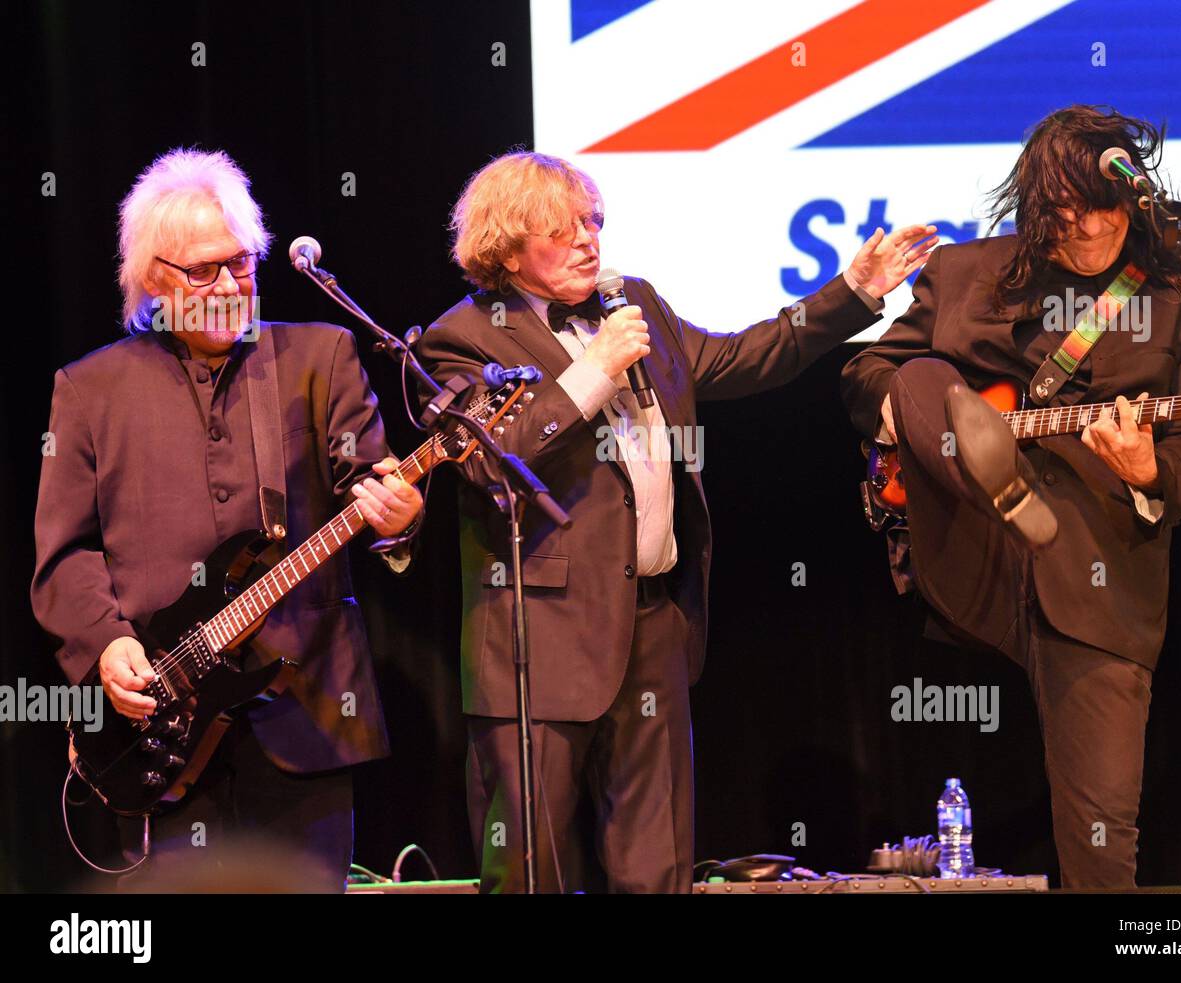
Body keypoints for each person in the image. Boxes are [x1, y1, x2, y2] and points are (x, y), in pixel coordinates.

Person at [417, 150, 935, 892]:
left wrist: (850, 293)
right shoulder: (462, 337)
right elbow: (490, 454)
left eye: (594, 222)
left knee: (657, 863)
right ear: (506, 243)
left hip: (653, 620)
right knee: (531, 867)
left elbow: (746, 356)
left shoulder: (637, 303)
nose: (590, 240)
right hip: (538, 637)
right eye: (563, 231)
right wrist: (593, 371)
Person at [840, 106, 1181, 888]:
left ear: (1134, 195)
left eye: (1103, 206)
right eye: (1064, 213)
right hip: (973, 545)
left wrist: (1148, 471)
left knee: (1099, 850)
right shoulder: (966, 274)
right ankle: (989, 466)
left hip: (1099, 578)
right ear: (1034, 209)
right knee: (924, 378)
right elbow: (865, 376)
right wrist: (920, 428)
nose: (1089, 228)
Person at [31, 148, 423, 891]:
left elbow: (371, 488)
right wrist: (108, 645)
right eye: (202, 270)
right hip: (163, 731)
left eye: (239, 264)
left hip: (308, 716)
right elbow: (67, 552)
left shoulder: (320, 355)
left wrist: (400, 515)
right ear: (154, 278)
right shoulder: (88, 390)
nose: (228, 286)